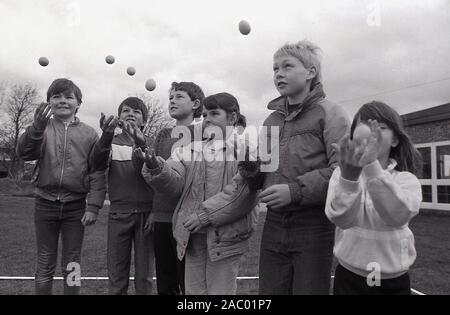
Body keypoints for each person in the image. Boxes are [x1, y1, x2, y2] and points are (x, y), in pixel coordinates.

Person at [240, 39, 351, 294]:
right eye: (275, 69)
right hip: (275, 224)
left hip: (313, 224)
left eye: (287, 66)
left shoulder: (331, 113)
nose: (279, 73)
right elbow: (263, 175)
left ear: (310, 72)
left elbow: (343, 172)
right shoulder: (270, 121)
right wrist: (250, 167)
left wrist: (295, 190)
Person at [139, 92, 258, 295]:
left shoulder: (246, 150)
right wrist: (155, 167)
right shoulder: (190, 149)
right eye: (204, 115)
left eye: (214, 113)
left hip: (225, 239)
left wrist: (203, 216)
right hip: (192, 238)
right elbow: (174, 183)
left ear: (233, 117)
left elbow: (242, 195)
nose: (207, 120)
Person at [16, 78, 106, 295]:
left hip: (76, 207)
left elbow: (96, 171)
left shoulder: (90, 134)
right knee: (45, 260)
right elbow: (24, 152)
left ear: (79, 104)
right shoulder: (41, 127)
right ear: (48, 102)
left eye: (68, 97)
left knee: (72, 261)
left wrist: (93, 206)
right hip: (44, 204)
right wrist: (36, 129)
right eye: (56, 96)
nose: (62, 101)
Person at [325, 101, 422, 295]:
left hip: (393, 282)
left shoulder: (406, 180)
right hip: (349, 277)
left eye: (381, 127)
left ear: (395, 140)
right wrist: (349, 179)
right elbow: (342, 219)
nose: (371, 133)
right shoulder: (341, 175)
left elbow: (396, 215)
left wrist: (370, 166)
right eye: (364, 126)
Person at [92, 97, 154, 295]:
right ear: (119, 117)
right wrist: (105, 136)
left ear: (143, 121)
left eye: (136, 112)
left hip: (147, 216)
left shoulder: (151, 143)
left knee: (144, 277)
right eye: (126, 110)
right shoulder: (111, 142)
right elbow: (97, 164)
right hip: (119, 215)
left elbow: (159, 178)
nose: (131, 114)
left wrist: (156, 210)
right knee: (117, 276)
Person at [150, 81, 204, 295]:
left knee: (189, 282)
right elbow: (154, 177)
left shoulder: (204, 133)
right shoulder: (163, 134)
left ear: (195, 103)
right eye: (171, 97)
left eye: (179, 96)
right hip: (162, 218)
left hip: (188, 220)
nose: (172, 100)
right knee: (166, 281)